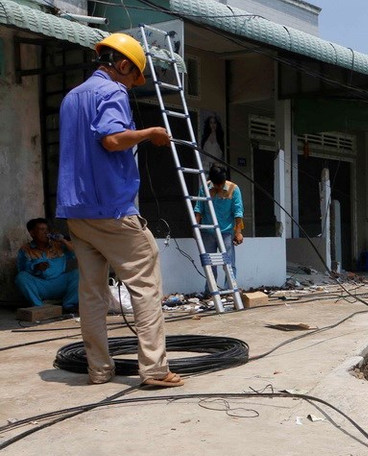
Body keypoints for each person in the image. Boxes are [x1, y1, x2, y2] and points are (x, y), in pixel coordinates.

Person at [56, 33, 183, 388]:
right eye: (132, 77)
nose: (130, 85)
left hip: (76, 210)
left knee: (92, 293)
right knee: (146, 283)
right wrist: (149, 133)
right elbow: (112, 140)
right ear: (123, 65)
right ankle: (155, 370)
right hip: (110, 207)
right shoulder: (113, 91)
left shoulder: (71, 97)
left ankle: (99, 369)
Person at [194, 163, 244, 296]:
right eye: (216, 185)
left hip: (226, 232)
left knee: (229, 264)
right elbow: (199, 208)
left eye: (221, 185)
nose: (219, 187)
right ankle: (210, 291)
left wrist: (238, 232)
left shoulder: (234, 189)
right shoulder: (205, 188)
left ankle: (230, 291)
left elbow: (238, 212)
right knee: (209, 264)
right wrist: (196, 228)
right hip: (208, 232)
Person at [15, 218, 80, 312]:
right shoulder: (25, 249)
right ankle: (39, 307)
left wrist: (63, 241)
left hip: (59, 283)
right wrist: (36, 267)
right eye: (42, 230)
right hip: (41, 286)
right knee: (21, 277)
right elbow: (22, 269)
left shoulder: (58, 245)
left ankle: (69, 305)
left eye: (47, 230)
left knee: (78, 274)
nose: (46, 232)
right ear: (32, 233)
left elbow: (78, 252)